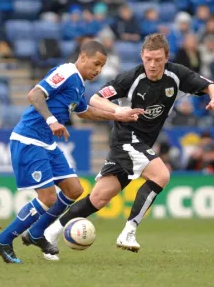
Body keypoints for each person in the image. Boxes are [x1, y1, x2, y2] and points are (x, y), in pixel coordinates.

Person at [44, 33, 214, 258]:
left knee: (99, 198)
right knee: (161, 175)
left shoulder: (177, 74)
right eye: (148, 59)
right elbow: (95, 98)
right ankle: (129, 232)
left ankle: (50, 232)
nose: (152, 65)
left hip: (140, 143)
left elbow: (209, 85)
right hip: (126, 138)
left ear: (166, 58)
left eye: (157, 60)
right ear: (142, 56)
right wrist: (117, 110)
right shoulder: (131, 78)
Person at [0, 40, 144, 264]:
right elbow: (35, 95)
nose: (98, 70)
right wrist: (52, 121)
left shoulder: (79, 84)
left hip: (47, 143)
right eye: (96, 63)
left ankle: (35, 233)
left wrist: (117, 115)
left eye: (102, 66)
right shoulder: (66, 72)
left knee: (74, 189)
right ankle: (3, 240)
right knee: (48, 198)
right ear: (82, 57)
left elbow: (85, 112)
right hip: (29, 139)